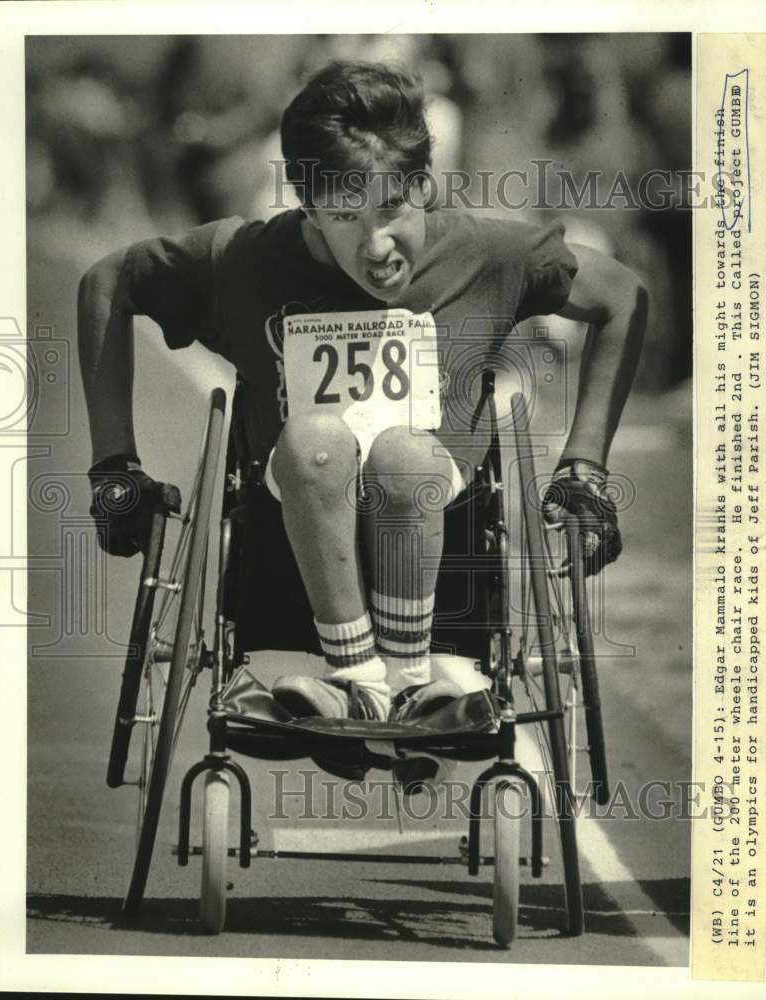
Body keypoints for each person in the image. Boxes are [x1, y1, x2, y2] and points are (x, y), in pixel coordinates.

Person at [78, 60, 648, 724]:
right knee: (318, 437)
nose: (377, 245)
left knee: (405, 452)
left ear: (424, 187)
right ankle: (357, 676)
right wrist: (113, 465)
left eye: (392, 210)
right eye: (344, 216)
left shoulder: (484, 253)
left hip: (443, 545)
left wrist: (584, 467)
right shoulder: (243, 260)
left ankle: (405, 675)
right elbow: (106, 283)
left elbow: (622, 297)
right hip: (288, 538)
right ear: (304, 202)